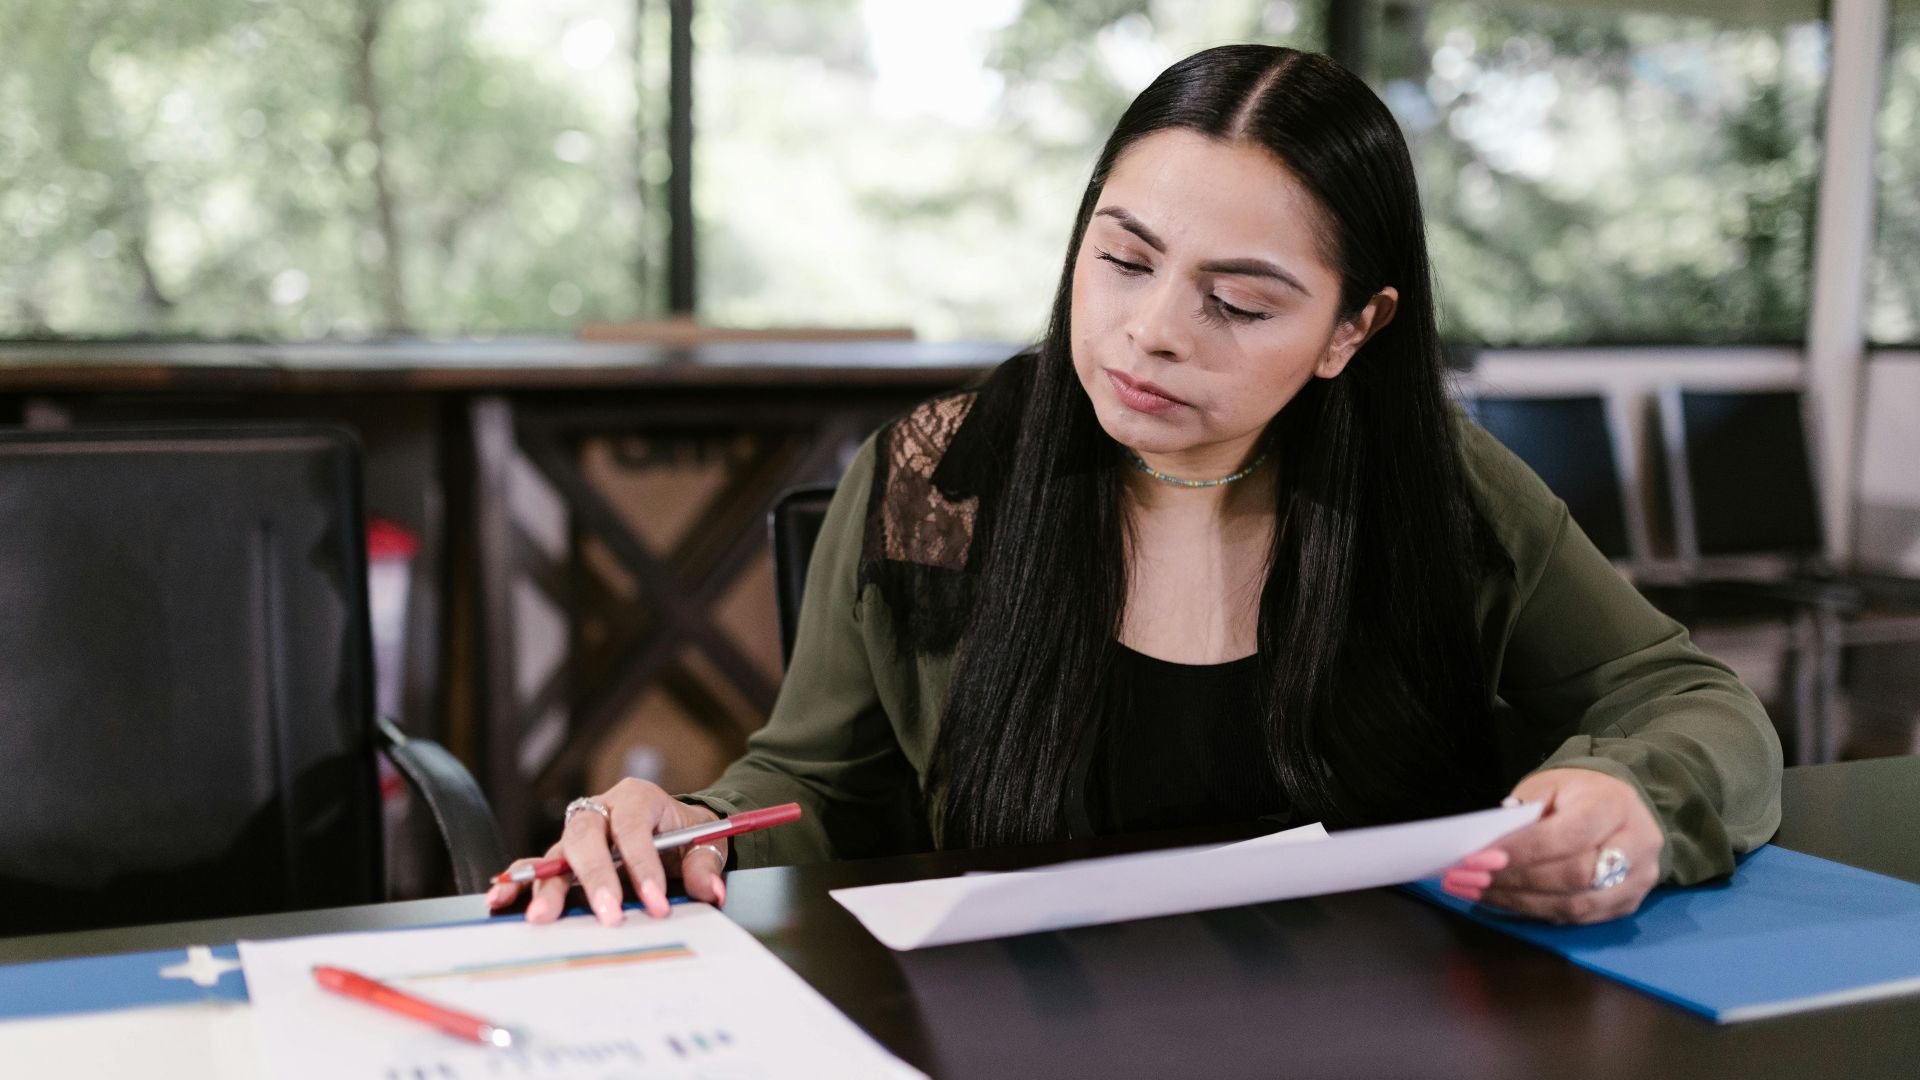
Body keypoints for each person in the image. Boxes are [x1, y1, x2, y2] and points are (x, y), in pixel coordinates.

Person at [490, 44, 1780, 928]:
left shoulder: (1433, 490)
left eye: (1236, 301)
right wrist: (690, 828)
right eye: (1123, 259)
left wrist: (1637, 810)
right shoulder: (935, 481)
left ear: (1352, 332)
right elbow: (816, 790)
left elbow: (1690, 702)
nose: (1151, 330)